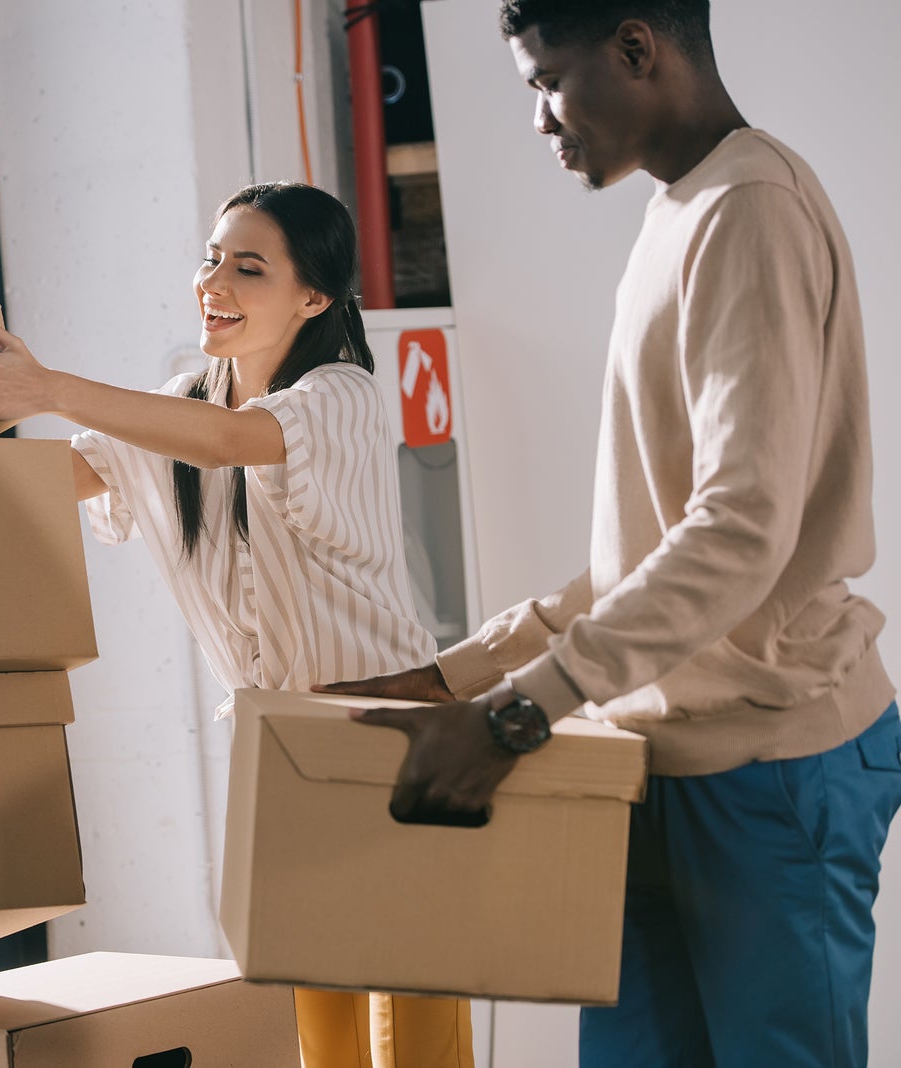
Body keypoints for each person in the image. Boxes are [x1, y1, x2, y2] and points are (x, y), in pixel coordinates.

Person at [318, 3, 899, 1066]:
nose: (541, 118)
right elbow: (658, 540)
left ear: (638, 46)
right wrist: (463, 675)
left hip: (769, 765)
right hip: (650, 756)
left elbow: (737, 532)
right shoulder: (683, 209)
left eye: (547, 79)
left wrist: (513, 717)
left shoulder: (749, 208)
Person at [0, 182, 474, 1068]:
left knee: (411, 1018)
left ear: (314, 297)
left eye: (249, 267)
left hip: (391, 730)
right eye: (211, 258)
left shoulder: (342, 397)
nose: (215, 280)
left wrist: (48, 385)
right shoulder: (181, 402)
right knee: (316, 1015)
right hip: (279, 739)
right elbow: (66, 480)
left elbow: (228, 441)